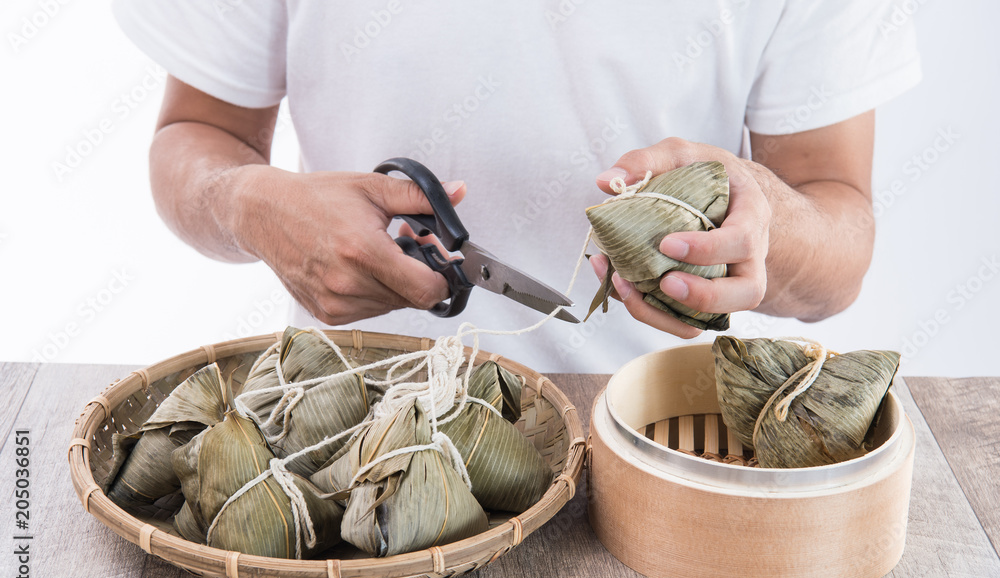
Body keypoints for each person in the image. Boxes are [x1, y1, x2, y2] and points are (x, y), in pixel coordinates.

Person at [113, 1, 920, 372]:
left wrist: (768, 217)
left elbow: (840, 238)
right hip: (347, 436)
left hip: (657, 441)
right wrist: (250, 203)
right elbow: (197, 138)